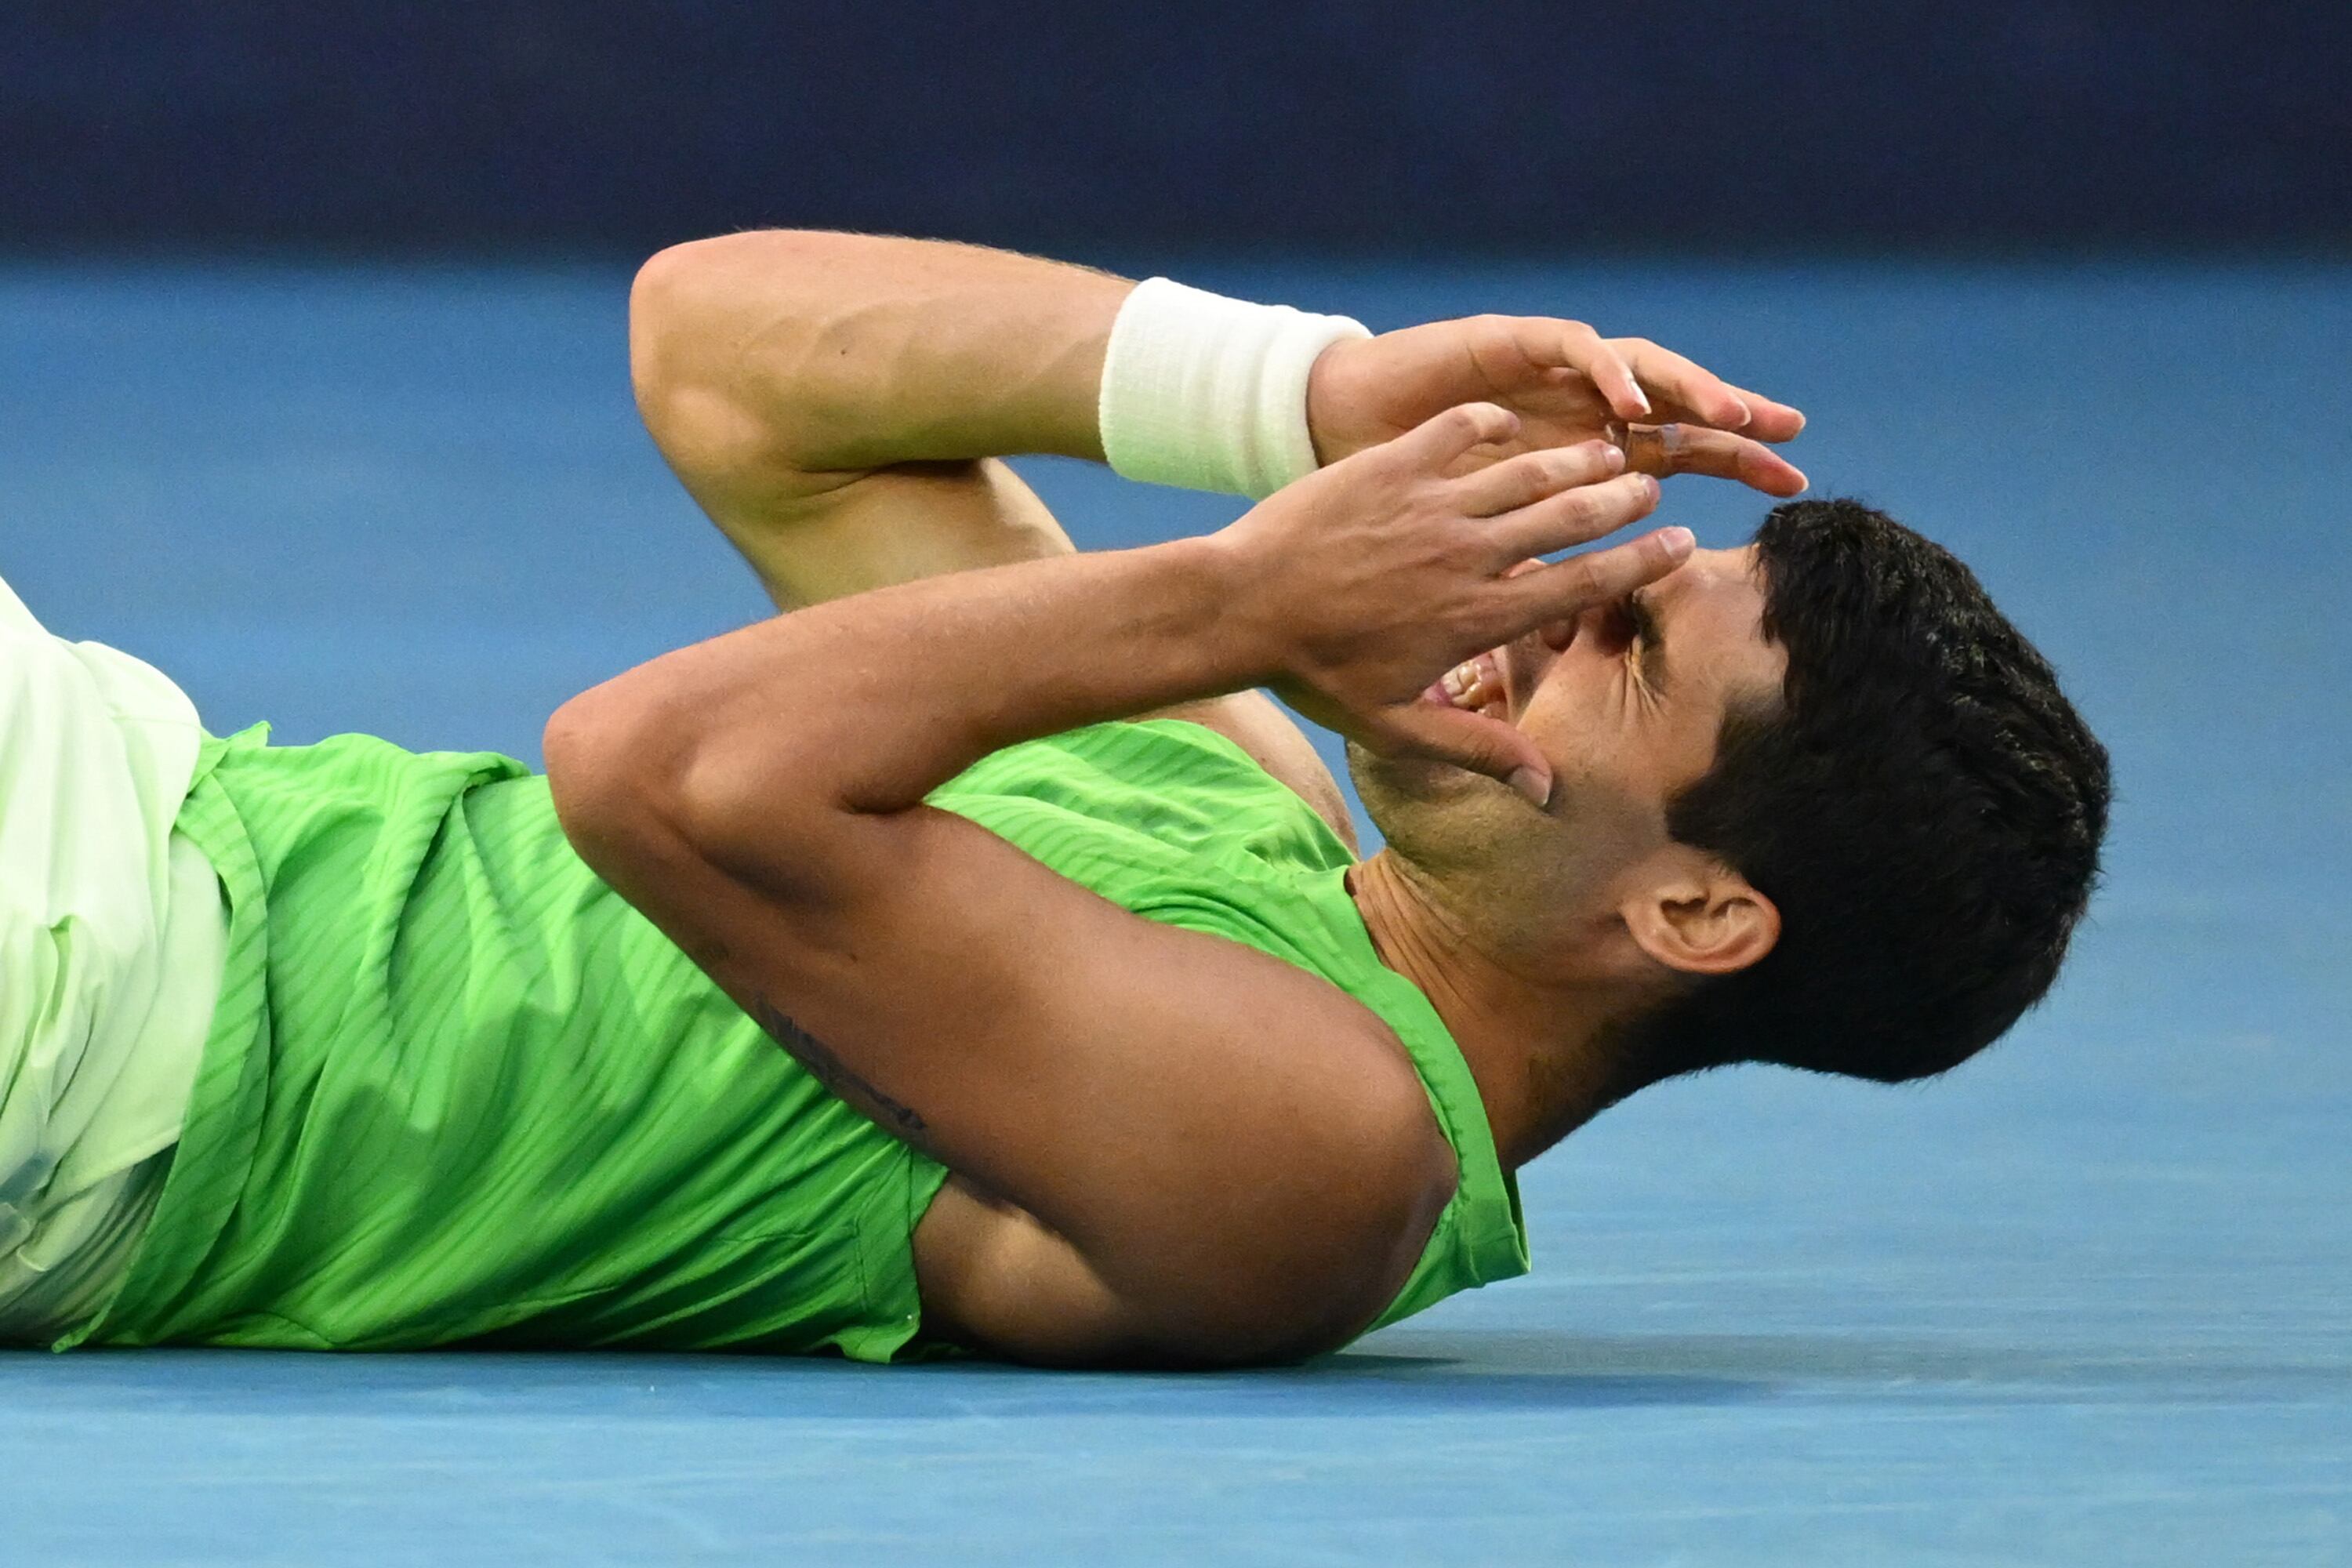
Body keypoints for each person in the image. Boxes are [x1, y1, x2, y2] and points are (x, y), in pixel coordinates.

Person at [0, 233, 2108, 1368]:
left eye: (1626, 648)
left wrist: (1239, 591)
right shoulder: (1234, 772)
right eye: (1606, 563)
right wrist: (1304, 394)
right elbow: (727, 356)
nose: (1534, 600)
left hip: (94, 1061)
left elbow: (655, 773)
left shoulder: (1320, 1161)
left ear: (1694, 918)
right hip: (125, 790)